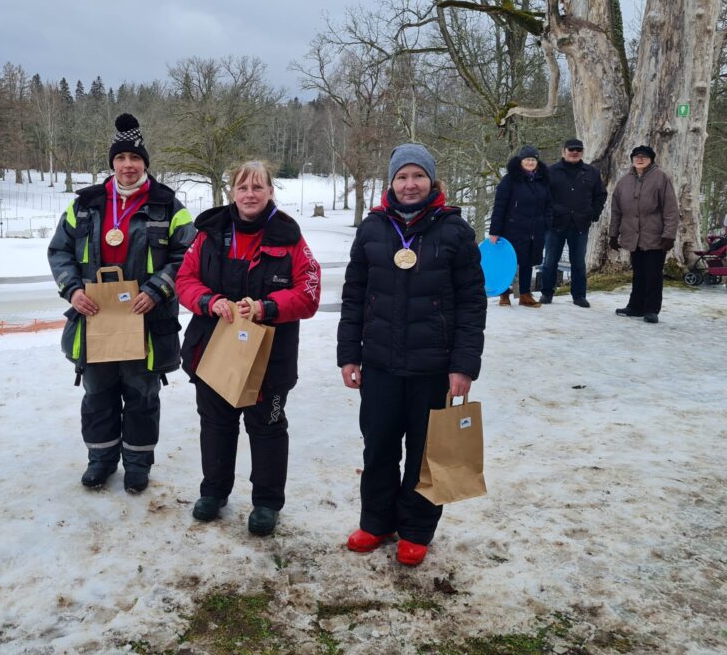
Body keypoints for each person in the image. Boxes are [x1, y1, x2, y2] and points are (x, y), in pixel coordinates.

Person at [338, 143, 486, 566]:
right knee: (379, 447)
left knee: (425, 452)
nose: (409, 184)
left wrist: (463, 365)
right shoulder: (373, 229)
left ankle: (416, 529)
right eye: (401, 177)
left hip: (434, 369)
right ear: (391, 182)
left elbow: (473, 303)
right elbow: (354, 297)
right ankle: (376, 521)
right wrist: (349, 355)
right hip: (380, 364)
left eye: (417, 176)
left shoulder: (454, 232)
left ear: (431, 181)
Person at [48, 113, 196, 493]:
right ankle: (100, 460)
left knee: (142, 394)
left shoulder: (169, 207)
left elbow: (189, 255)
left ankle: (137, 464)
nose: (128, 166)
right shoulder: (85, 205)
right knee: (97, 393)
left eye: (135, 159)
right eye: (121, 159)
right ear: (112, 163)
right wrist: (72, 290)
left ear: (145, 163)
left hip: (144, 320)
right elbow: (59, 251)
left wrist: (157, 289)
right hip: (94, 317)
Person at [176, 161, 321, 537]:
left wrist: (267, 307)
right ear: (232, 192)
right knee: (216, 423)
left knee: (268, 428)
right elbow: (185, 279)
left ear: (271, 192)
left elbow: (309, 293)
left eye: (258, 187)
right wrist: (209, 301)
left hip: (270, 356)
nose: (250, 195)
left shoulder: (289, 237)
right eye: (243, 187)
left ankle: (267, 503)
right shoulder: (209, 233)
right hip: (213, 348)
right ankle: (214, 492)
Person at [609, 145, 679, 324]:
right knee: (638, 272)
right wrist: (613, 234)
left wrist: (669, 235)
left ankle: (651, 309)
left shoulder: (661, 178)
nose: (640, 159)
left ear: (651, 159)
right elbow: (616, 210)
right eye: (636, 156)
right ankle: (635, 306)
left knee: (653, 274)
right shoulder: (624, 182)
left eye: (644, 157)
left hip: (655, 235)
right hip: (632, 235)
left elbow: (671, 210)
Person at [539, 138, 608, 307]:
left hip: (580, 224)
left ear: (582, 152)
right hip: (556, 223)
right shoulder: (550, 171)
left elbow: (600, 195)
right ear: (563, 151)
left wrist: (593, 213)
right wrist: (552, 212)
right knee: (550, 261)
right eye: (571, 149)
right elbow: (543, 196)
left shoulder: (591, 172)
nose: (574, 152)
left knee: (578, 262)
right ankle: (546, 293)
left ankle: (579, 296)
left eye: (578, 149)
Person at [488, 145, 552, 307]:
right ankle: (504, 294)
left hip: (535, 229)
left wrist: (547, 222)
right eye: (527, 159)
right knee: (507, 262)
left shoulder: (543, 180)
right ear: (521, 161)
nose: (530, 162)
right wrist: (495, 231)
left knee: (528, 262)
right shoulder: (509, 180)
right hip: (512, 228)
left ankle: (525, 295)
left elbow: (549, 205)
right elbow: (499, 206)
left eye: (533, 159)